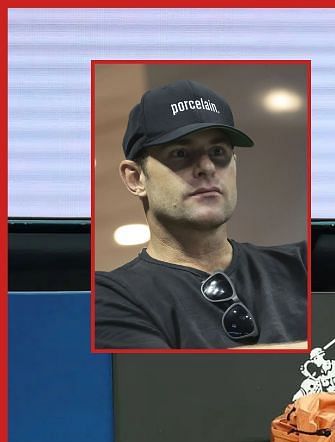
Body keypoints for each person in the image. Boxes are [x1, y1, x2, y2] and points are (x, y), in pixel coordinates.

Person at [95, 80, 307, 349]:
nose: (207, 167)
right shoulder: (111, 296)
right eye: (180, 153)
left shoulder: (302, 265)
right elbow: (167, 382)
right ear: (136, 178)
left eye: (218, 152)